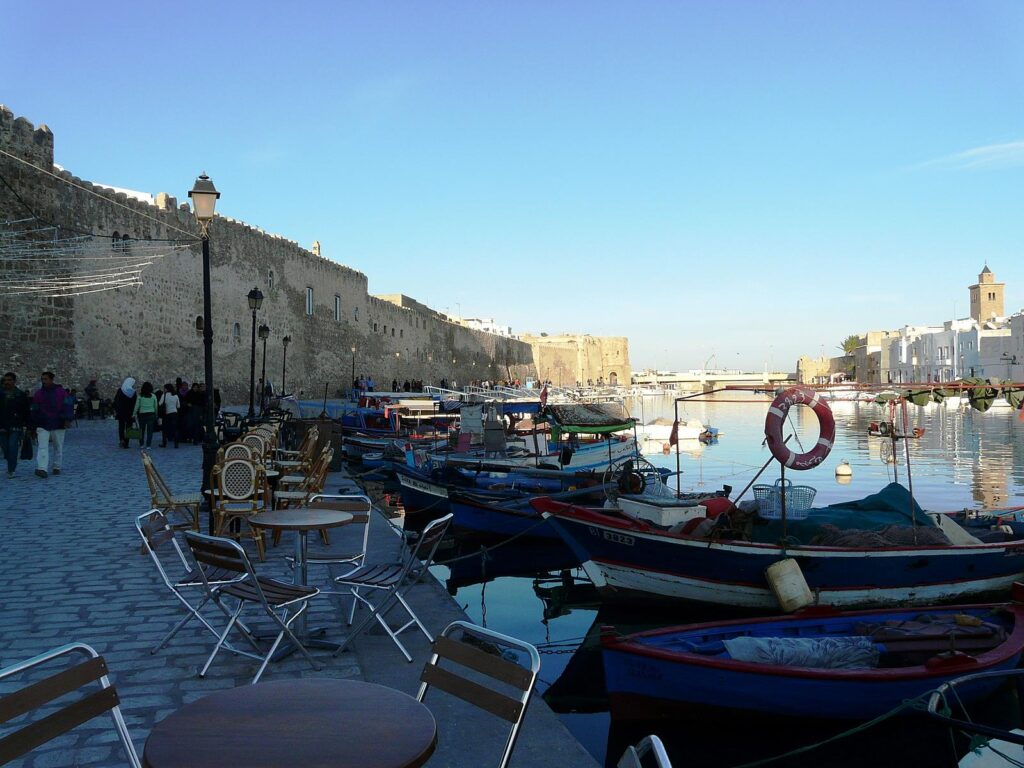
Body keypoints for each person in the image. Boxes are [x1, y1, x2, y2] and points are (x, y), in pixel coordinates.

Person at [31, 372, 70, 478]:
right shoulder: (38, 393)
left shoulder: (61, 392)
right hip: (43, 423)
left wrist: (67, 419)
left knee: (58, 446)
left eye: (46, 379)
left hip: (58, 422)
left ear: (52, 380)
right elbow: (35, 409)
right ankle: (42, 468)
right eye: (42, 379)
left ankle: (57, 466)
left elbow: (67, 405)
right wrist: (33, 424)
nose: (44, 381)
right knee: (42, 446)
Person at [0, 372, 30, 478]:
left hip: (15, 425)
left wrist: (27, 426)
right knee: (5, 448)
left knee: (12, 446)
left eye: (9, 380)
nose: (7, 382)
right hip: (2, 426)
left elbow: (26, 411)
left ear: (14, 381)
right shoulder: (0, 394)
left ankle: (11, 469)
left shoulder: (20, 395)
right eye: (6, 380)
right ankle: (11, 461)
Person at [133, 381, 159, 448]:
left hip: (142, 415)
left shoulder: (140, 396)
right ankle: (148, 445)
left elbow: (137, 406)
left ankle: (141, 444)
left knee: (141, 430)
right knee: (150, 431)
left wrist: (134, 414)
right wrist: (156, 414)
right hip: (151, 414)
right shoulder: (153, 396)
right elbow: (155, 406)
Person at [113, 377, 137, 448]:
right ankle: (126, 443)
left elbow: (115, 401)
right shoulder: (133, 392)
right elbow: (135, 403)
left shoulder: (120, 390)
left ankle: (121, 440)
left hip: (121, 412)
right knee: (128, 427)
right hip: (129, 412)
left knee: (121, 426)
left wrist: (116, 410)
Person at [159, 383, 180, 448]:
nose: (164, 389)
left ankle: (164, 443)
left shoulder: (164, 395)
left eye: (164, 388)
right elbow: (178, 406)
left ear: (167, 389)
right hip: (174, 413)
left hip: (166, 414)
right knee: (175, 429)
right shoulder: (176, 396)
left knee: (165, 429)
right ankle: (176, 444)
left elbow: (160, 404)